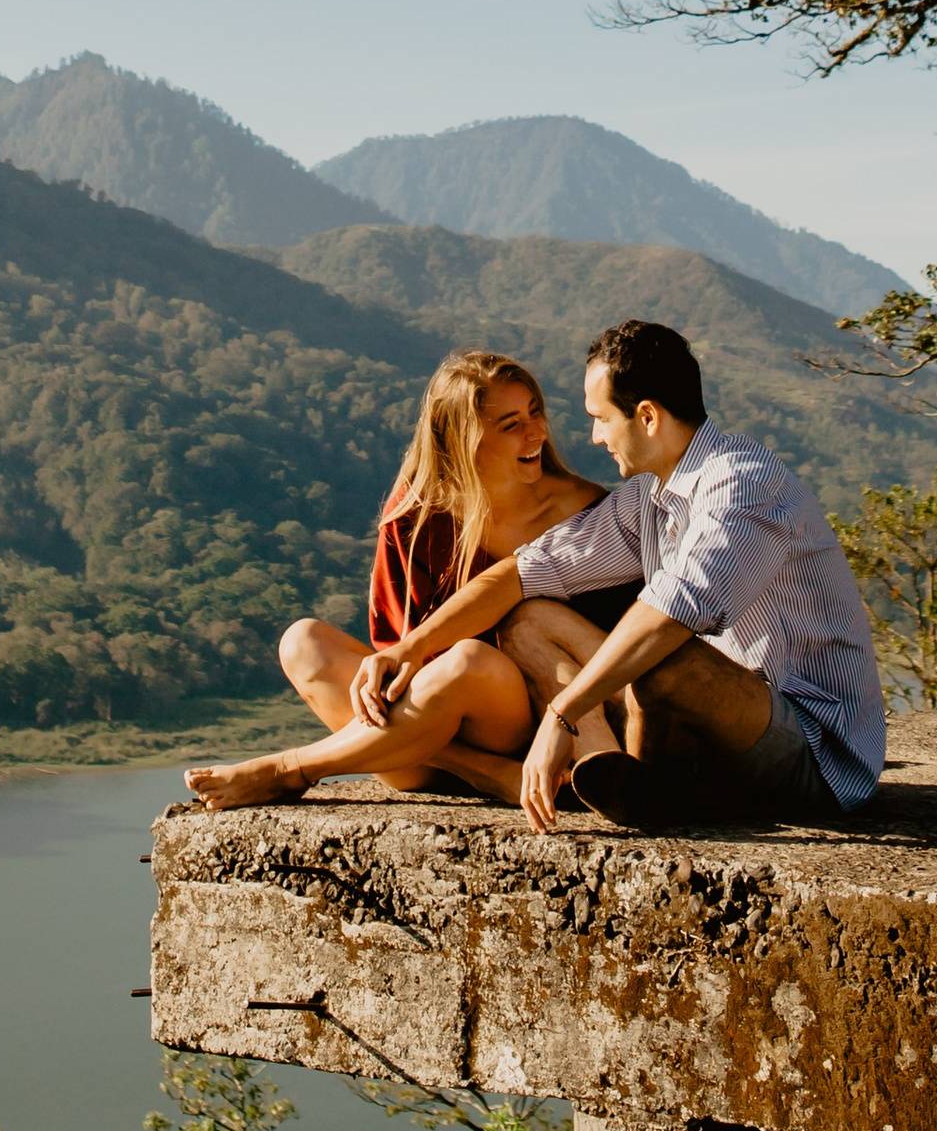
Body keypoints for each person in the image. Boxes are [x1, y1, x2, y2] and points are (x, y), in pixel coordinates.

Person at [356, 317, 885, 834]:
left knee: (661, 655)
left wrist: (561, 714)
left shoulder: (742, 485)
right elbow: (519, 575)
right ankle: (628, 778)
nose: (592, 437)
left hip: (813, 751)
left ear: (648, 417)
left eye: (602, 418)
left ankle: (660, 787)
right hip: (720, 726)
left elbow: (669, 617)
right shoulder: (648, 498)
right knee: (530, 617)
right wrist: (411, 648)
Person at [183, 351, 610, 811]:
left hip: (535, 729)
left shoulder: (584, 511)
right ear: (461, 440)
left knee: (467, 662)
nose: (536, 433)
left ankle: (290, 768)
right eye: (510, 425)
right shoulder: (416, 516)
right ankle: (482, 772)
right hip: (421, 734)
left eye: (535, 412)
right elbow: (395, 655)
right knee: (301, 641)